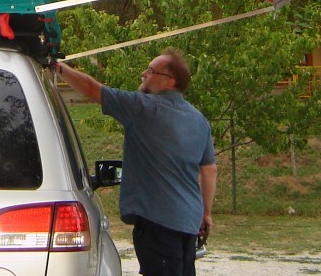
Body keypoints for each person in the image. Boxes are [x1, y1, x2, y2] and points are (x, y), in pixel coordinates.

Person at [54, 48, 216, 276]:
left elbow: (92, 89)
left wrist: (57, 67)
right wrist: (205, 213)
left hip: (159, 222)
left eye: (150, 71)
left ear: (170, 80)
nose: (143, 74)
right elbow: (209, 170)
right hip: (188, 223)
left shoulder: (142, 108)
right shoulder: (200, 120)